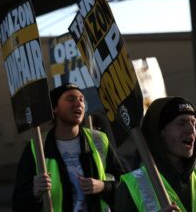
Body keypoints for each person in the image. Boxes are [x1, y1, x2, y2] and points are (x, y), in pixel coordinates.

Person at [12, 83, 125, 212]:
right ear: (54, 108)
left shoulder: (99, 140)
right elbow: (18, 204)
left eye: (81, 99)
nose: (78, 104)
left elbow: (125, 185)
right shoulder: (37, 147)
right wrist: (35, 193)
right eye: (71, 99)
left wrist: (104, 186)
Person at [115, 96, 196, 211]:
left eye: (193, 122)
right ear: (160, 131)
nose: (192, 129)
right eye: (181, 123)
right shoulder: (133, 186)